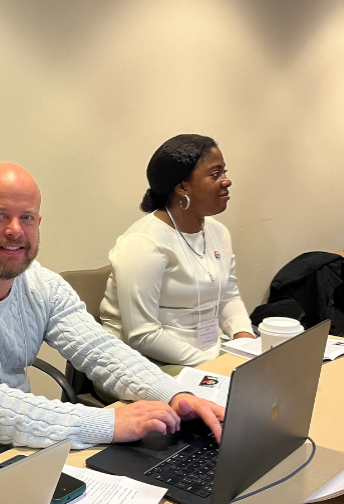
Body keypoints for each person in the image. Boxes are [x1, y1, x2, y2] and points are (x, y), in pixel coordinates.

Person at [0, 162, 225, 481]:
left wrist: (174, 395)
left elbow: (100, 350)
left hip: (7, 430)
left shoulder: (43, 284)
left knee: (138, 471)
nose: (15, 230)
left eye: (28, 217)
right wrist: (109, 423)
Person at [99, 135, 254, 374]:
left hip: (208, 349)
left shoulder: (217, 232)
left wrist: (245, 341)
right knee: (233, 398)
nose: (227, 181)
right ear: (182, 187)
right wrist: (213, 364)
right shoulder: (143, 243)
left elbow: (227, 297)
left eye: (224, 172)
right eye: (216, 174)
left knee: (270, 376)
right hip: (144, 361)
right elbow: (143, 336)